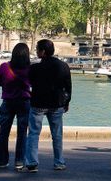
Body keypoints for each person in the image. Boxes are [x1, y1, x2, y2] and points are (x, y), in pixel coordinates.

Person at [25, 39, 72, 173]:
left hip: (38, 103)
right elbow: (68, 86)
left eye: (37, 49)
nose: (36, 52)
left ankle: (32, 162)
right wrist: (67, 102)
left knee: (33, 133)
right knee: (57, 135)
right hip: (56, 103)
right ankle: (59, 162)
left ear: (43, 52)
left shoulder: (34, 68)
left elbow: (30, 84)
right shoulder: (63, 66)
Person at [0, 43, 32, 170]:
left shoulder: (4, 66)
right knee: (22, 133)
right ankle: (19, 161)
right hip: (24, 101)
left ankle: (2, 160)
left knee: (3, 132)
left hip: (8, 101)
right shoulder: (30, 69)